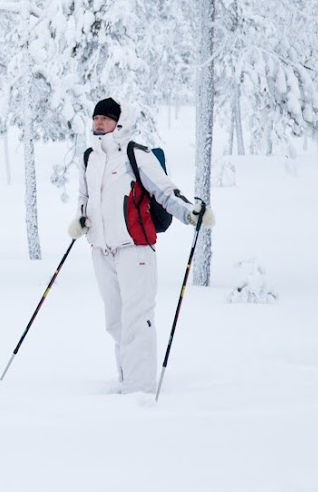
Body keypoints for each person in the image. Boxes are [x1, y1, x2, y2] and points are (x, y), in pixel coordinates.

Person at [69, 97, 216, 395]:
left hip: (134, 249)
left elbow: (165, 191)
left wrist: (190, 212)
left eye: (106, 118)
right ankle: (127, 380)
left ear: (120, 122)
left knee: (137, 318)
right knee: (115, 320)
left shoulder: (136, 154)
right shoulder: (90, 157)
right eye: (96, 117)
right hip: (101, 250)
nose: (99, 122)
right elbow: (85, 199)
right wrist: (81, 220)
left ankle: (139, 390)